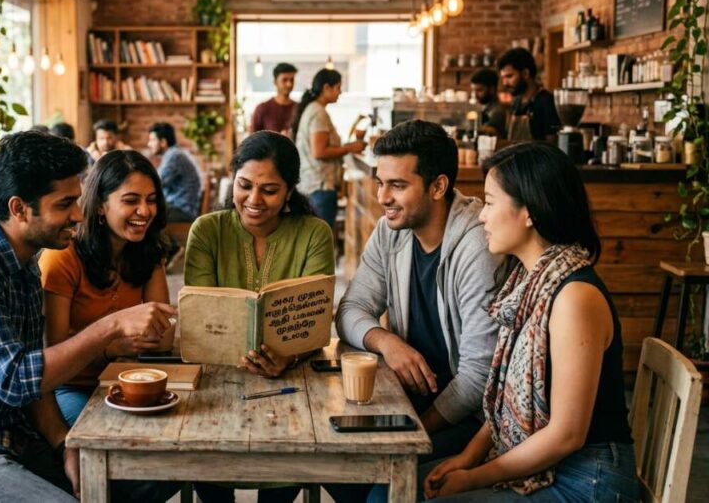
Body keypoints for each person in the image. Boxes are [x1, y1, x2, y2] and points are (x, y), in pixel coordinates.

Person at [0, 131, 174, 503]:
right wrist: (111, 326)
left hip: (8, 438)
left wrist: (62, 444)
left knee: (156, 472)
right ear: (20, 208)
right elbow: (15, 380)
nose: (78, 214)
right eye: (65, 203)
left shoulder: (24, 266)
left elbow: (33, 382)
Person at [421, 143, 639, 502]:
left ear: (529, 212)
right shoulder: (529, 282)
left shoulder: (573, 298)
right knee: (400, 489)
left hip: (587, 479)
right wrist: (467, 458)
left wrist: (474, 477)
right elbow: (507, 400)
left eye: (490, 202)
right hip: (553, 465)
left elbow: (567, 435)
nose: (481, 217)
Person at [334, 120, 500, 484]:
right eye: (380, 182)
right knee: (335, 468)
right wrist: (387, 342)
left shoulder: (477, 246)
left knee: (371, 482)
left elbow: (477, 378)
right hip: (408, 400)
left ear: (438, 186)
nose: (382, 197)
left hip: (472, 420)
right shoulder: (391, 230)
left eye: (397, 185)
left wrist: (410, 435)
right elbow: (349, 309)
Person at [184, 130, 335, 503]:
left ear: (289, 191)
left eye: (269, 190)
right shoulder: (207, 230)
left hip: (292, 384)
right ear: (232, 178)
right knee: (207, 472)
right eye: (244, 185)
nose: (253, 200)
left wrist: (290, 355)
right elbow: (203, 314)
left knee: (283, 476)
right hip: (215, 380)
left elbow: (315, 318)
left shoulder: (314, 233)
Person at [39, 149, 172, 427]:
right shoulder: (63, 256)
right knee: (104, 431)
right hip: (74, 387)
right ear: (100, 205)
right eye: (130, 201)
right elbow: (55, 354)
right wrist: (110, 348)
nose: (144, 211)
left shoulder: (148, 251)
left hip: (129, 377)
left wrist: (140, 342)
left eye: (151, 200)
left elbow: (164, 338)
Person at [291, 69, 366, 228]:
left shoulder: (313, 109)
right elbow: (319, 151)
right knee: (321, 245)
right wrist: (349, 148)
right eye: (338, 87)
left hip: (313, 186)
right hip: (320, 187)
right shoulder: (318, 113)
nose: (340, 92)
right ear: (326, 88)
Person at [497, 48, 561, 143]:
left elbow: (552, 146)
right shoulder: (516, 102)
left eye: (509, 76)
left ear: (525, 73)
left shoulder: (546, 101)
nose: (505, 83)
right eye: (503, 78)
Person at [148, 122, 202, 223]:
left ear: (163, 142)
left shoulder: (175, 156)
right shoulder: (173, 154)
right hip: (178, 207)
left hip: (182, 211)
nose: (149, 144)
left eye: (152, 140)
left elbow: (155, 183)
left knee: (146, 215)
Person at [250, 62, 298, 136]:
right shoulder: (262, 109)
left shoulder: (299, 108)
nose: (289, 84)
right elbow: (251, 141)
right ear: (275, 82)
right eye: (284, 80)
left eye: (292, 80)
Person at [470, 68, 508, 139]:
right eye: (473, 91)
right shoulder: (486, 107)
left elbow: (492, 131)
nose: (475, 95)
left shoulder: (497, 111)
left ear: (492, 89)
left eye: (479, 90)